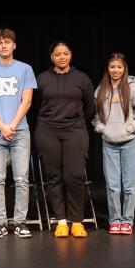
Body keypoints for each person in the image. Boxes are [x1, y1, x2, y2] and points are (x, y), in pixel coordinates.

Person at [0, 28, 36, 240]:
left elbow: (27, 101)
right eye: (0, 42)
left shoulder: (25, 69)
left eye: (7, 42)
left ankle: (20, 222)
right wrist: (2, 126)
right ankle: (0, 223)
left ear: (14, 45)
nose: (4, 45)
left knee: (21, 178)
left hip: (20, 131)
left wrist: (11, 125)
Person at [34, 41, 95, 238]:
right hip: (47, 130)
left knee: (74, 176)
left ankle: (76, 222)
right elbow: (34, 105)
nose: (62, 57)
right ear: (51, 57)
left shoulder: (81, 78)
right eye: (57, 54)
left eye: (65, 53)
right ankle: (60, 221)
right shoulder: (42, 78)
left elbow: (90, 106)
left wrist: (76, 121)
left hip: (75, 131)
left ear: (71, 55)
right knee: (54, 176)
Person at [93, 53, 135, 235]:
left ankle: (127, 221)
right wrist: (104, 129)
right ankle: (115, 220)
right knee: (113, 185)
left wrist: (129, 129)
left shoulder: (131, 88)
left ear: (124, 69)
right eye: (112, 67)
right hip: (109, 144)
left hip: (130, 143)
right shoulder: (101, 90)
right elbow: (95, 119)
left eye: (119, 67)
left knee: (130, 185)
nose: (116, 70)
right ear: (107, 69)